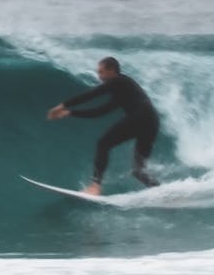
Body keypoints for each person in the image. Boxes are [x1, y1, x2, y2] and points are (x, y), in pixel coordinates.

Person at [46, 57, 160, 195]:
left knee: (103, 143)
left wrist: (62, 105)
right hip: (152, 123)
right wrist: (71, 113)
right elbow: (99, 112)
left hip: (141, 118)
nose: (99, 77)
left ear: (112, 70)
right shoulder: (122, 89)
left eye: (101, 72)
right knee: (138, 171)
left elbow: (92, 94)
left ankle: (95, 186)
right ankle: (160, 191)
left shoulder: (119, 81)